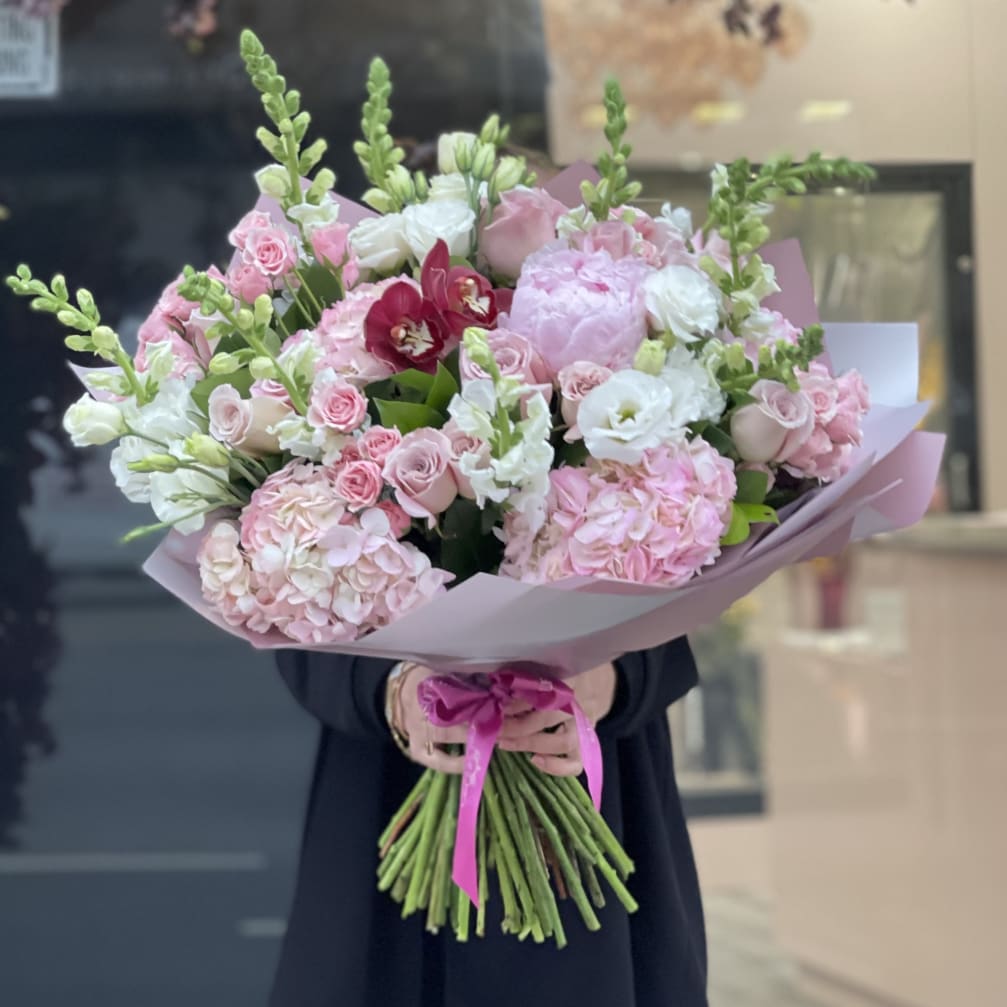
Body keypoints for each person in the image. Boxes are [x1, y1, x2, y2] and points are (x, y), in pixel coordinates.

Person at [271, 642, 708, 1007]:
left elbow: (681, 591)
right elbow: (286, 603)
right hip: (382, 783)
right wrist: (390, 689)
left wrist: (614, 678)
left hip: (592, 759)